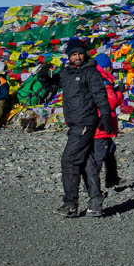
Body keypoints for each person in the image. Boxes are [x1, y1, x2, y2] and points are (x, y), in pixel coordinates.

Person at [51, 38, 114, 218]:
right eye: (74, 54)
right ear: (69, 56)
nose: (77, 57)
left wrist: (105, 116)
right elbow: (53, 87)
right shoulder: (66, 73)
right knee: (86, 162)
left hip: (85, 122)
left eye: (80, 53)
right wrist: (46, 79)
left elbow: (100, 94)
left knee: (69, 160)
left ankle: (70, 204)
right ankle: (95, 203)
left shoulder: (90, 72)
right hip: (75, 122)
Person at [93, 53, 123, 188]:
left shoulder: (93, 77)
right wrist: (119, 92)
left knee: (110, 149)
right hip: (102, 125)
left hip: (97, 123)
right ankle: (93, 187)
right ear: (107, 68)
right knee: (99, 155)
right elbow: (110, 102)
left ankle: (112, 178)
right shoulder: (104, 80)